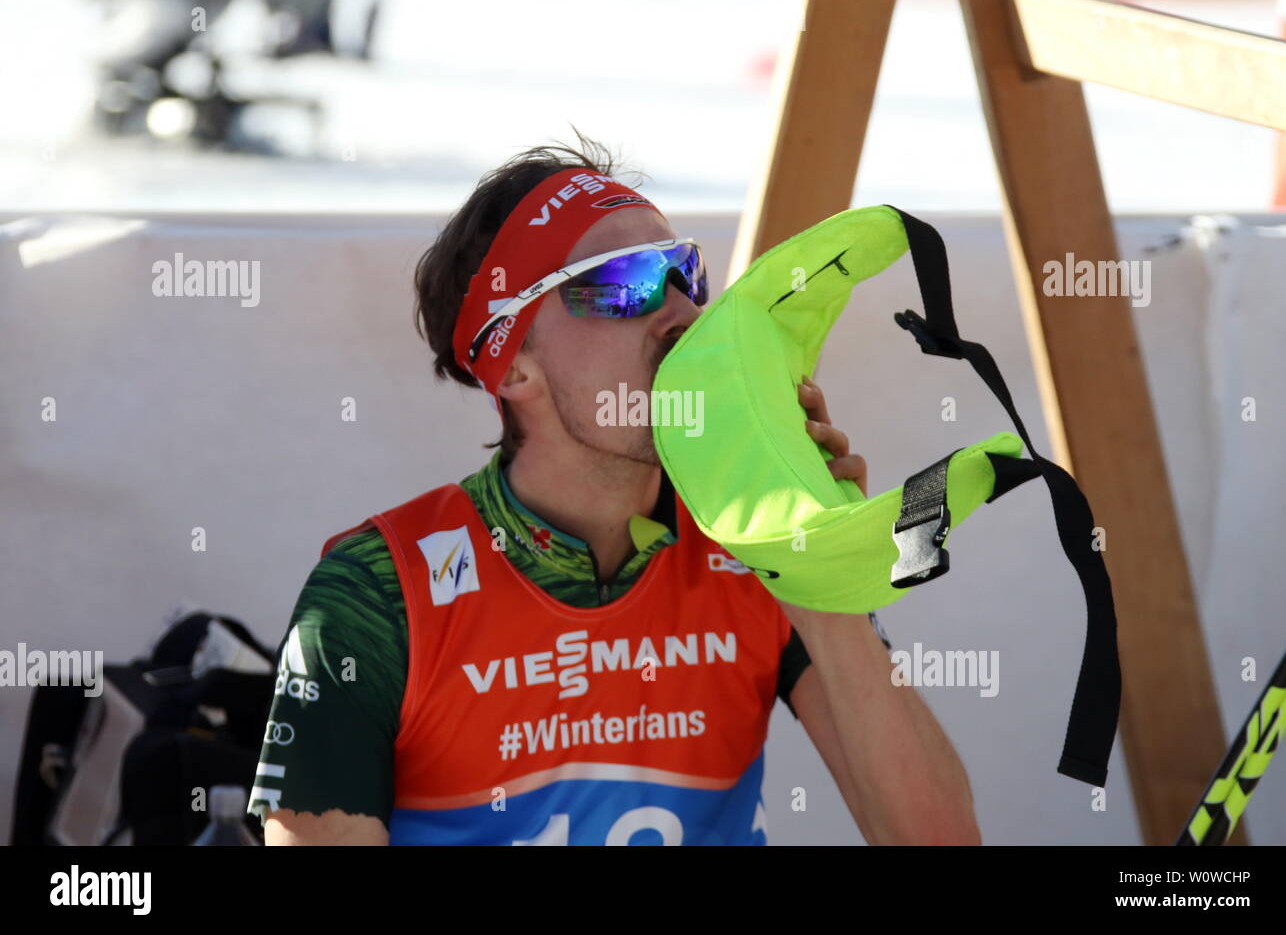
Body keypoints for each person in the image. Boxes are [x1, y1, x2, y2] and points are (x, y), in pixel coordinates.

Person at [248, 132, 979, 845]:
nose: (685, 316)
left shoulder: (754, 543)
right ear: (511, 369)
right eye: (623, 285)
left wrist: (821, 578)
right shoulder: (377, 590)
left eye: (684, 275)